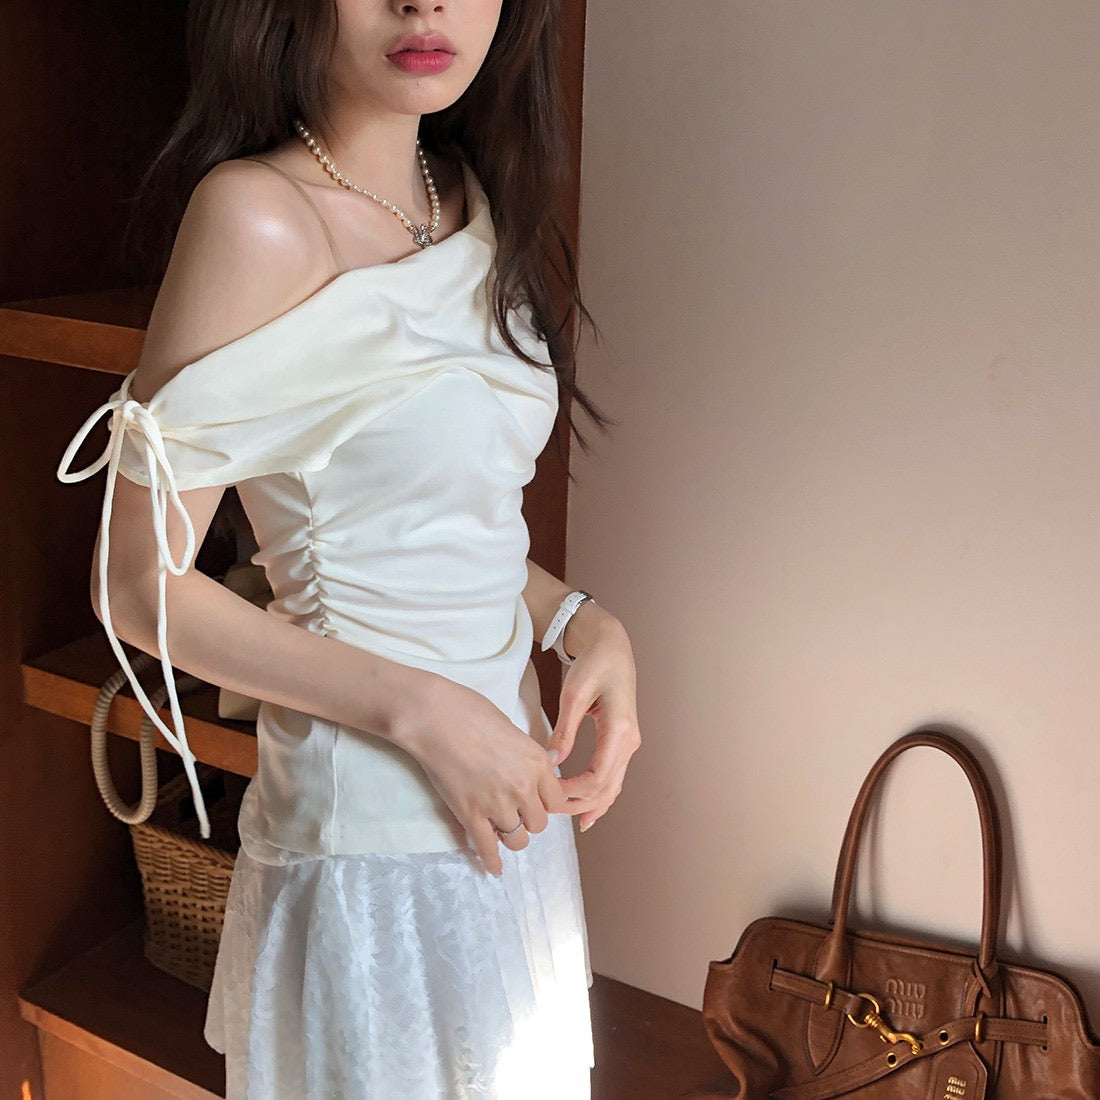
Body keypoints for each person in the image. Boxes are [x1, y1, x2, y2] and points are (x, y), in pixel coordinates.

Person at [55, 0, 642, 1096]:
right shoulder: (256, 218)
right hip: (370, 846)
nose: (424, 4)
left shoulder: (469, 198)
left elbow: (430, 519)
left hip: (509, 800)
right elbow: (138, 585)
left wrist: (581, 621)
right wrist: (426, 714)